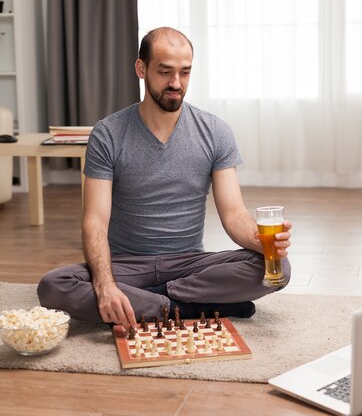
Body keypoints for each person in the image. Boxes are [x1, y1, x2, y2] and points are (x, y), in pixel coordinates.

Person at [38, 27, 292, 330]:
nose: (176, 83)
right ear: (141, 69)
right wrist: (106, 284)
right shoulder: (108, 134)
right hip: (127, 265)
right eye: (165, 71)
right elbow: (94, 220)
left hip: (189, 266)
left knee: (277, 268)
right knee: (53, 286)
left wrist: (258, 240)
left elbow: (234, 213)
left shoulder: (215, 131)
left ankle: (148, 304)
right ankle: (195, 307)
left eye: (185, 72)